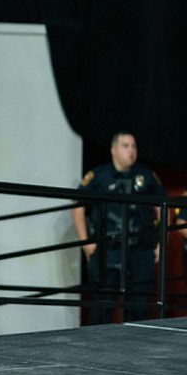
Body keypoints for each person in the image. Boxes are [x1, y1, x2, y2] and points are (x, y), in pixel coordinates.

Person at [71, 132, 165, 325]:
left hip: (140, 249)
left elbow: (162, 207)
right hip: (108, 249)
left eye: (134, 146)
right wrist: (86, 243)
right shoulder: (99, 176)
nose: (131, 150)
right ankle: (95, 348)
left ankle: (138, 348)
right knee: (102, 305)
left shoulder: (145, 175)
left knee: (139, 304)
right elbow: (77, 205)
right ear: (113, 150)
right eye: (126, 146)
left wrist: (161, 243)